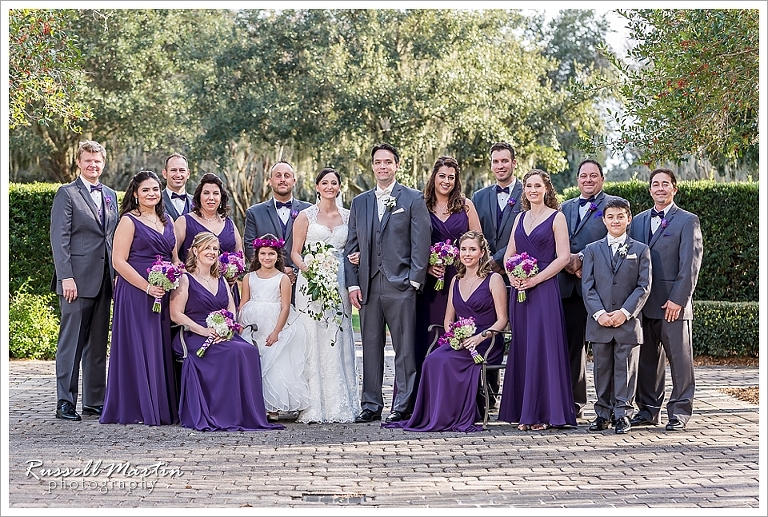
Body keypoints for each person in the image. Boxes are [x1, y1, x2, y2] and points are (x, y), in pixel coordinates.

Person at [384, 231, 508, 432]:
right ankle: (436, 414)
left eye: (472, 249)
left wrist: (478, 337)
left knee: (447, 361)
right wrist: (455, 335)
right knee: (432, 360)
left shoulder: (493, 279)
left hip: (485, 342)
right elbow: (448, 319)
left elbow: (502, 319)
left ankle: (455, 414)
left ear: (482, 252)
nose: (467, 254)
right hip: (460, 340)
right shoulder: (456, 280)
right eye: (464, 249)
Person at [344, 143, 431, 424]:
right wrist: (353, 284)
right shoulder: (360, 202)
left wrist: (414, 281)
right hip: (368, 286)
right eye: (378, 162)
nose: (383, 166)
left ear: (397, 165)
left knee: (404, 348)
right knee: (370, 346)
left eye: (388, 162)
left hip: (401, 284)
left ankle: (402, 404)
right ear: (372, 166)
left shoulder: (413, 199)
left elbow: (421, 243)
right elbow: (351, 247)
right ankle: (370, 404)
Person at [169, 232, 284, 432]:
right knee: (231, 353)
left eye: (215, 249)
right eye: (207, 248)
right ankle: (221, 413)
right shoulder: (185, 279)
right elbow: (176, 314)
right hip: (194, 334)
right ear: (195, 251)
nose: (212, 252)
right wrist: (204, 331)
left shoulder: (221, 279)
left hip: (223, 332)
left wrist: (227, 327)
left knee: (247, 351)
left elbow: (231, 308)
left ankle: (242, 414)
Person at [498, 169, 576, 431]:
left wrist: (536, 279)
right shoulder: (519, 218)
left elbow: (563, 257)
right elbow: (509, 255)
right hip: (520, 292)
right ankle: (524, 412)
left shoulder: (557, 218)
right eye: (528, 185)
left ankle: (543, 413)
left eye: (537, 185)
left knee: (543, 347)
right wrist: (514, 277)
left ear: (546, 189)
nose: (533, 189)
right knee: (524, 347)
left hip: (543, 290)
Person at [100, 170, 179, 426]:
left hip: (164, 291)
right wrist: (147, 287)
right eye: (145, 190)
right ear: (135, 194)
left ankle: (159, 405)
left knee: (159, 346)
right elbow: (118, 261)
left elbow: (174, 258)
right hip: (136, 292)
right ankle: (138, 406)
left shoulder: (168, 221)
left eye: (155, 189)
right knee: (139, 345)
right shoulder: (128, 221)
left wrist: (175, 275)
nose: (151, 194)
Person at [628, 168, 703, 431]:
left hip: (673, 305)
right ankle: (648, 410)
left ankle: (680, 411)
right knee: (647, 362)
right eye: (655, 184)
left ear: (674, 188)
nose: (660, 188)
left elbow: (690, 265)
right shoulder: (636, 221)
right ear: (650, 189)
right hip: (643, 305)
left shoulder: (687, 220)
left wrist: (678, 300)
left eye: (665, 184)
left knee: (680, 362)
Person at [50, 140, 118, 421]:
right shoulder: (67, 194)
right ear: (79, 162)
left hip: (105, 280)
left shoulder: (111, 194)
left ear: (104, 163)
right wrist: (66, 276)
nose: (93, 165)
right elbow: (59, 239)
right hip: (76, 281)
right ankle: (65, 401)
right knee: (72, 343)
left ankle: (94, 401)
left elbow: (111, 236)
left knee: (98, 344)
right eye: (88, 160)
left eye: (97, 161)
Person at [291, 167, 360, 423]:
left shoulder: (349, 216)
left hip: (340, 280)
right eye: (325, 183)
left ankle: (341, 404)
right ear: (317, 187)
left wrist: (356, 257)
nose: (329, 186)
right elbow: (295, 252)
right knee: (313, 337)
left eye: (334, 183)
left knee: (338, 336)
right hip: (311, 284)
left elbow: (354, 248)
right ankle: (312, 404)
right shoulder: (305, 216)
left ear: (339, 187)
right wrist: (309, 268)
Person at [557, 159, 624, 419]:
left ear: (602, 179)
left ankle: (613, 406)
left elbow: (614, 238)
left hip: (600, 287)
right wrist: (570, 264)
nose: (588, 180)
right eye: (583, 175)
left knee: (605, 349)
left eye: (593, 175)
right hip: (567, 288)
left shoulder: (613, 205)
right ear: (577, 179)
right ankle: (571, 402)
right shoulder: (565, 207)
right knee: (571, 347)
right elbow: (557, 239)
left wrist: (582, 259)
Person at [412, 156, 481, 398]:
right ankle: (423, 398)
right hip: (429, 283)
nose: (446, 181)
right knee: (425, 335)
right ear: (434, 177)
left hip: (460, 279)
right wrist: (427, 267)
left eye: (451, 177)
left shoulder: (466, 206)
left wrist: (465, 264)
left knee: (456, 333)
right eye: (442, 176)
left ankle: (456, 397)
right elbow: (410, 243)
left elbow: (478, 242)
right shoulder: (419, 204)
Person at [581, 198, 652, 434]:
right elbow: (587, 286)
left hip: (627, 323)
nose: (615, 221)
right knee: (601, 370)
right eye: (610, 216)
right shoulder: (592, 250)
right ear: (603, 220)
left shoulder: (641, 250)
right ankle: (602, 414)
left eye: (620, 216)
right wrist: (599, 313)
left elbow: (644, 286)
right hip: (600, 323)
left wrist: (624, 312)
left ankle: (623, 414)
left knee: (626, 369)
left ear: (629, 219)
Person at [470, 142, 523, 406]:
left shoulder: (530, 191)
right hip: (485, 280)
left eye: (505, 161)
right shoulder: (479, 197)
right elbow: (476, 235)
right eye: (495, 162)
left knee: (520, 337)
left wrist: (499, 260)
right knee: (488, 333)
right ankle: (487, 396)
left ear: (515, 163)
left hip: (520, 278)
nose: (500, 166)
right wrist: (485, 263)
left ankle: (519, 397)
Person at [239, 234, 310, 421]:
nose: (267, 257)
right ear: (257, 255)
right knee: (257, 361)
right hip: (253, 322)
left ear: (278, 256)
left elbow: (285, 306)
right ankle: (256, 403)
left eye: (271, 254)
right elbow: (243, 302)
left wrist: (277, 331)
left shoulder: (282, 279)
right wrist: (240, 324)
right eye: (263, 254)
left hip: (273, 321)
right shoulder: (249, 277)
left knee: (274, 361)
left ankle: (273, 407)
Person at [174, 173, 244, 305]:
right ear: (199, 196)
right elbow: (173, 256)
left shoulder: (229, 223)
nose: (211, 198)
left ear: (221, 197)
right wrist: (186, 275)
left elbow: (240, 253)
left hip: (226, 289)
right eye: (206, 193)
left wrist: (234, 273)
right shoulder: (184, 221)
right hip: (195, 292)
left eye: (216, 193)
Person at [243, 161, 312, 292]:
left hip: (302, 283)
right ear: (270, 180)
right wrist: (277, 270)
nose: (282, 180)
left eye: (287, 176)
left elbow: (313, 245)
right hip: (267, 284)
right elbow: (249, 246)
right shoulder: (254, 213)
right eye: (278, 175)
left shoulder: (308, 210)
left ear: (294, 180)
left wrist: (296, 270)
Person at [161, 153, 194, 220]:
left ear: (188, 174)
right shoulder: (155, 200)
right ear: (165, 174)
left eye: (182, 170)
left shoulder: (197, 201)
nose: (178, 175)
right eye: (173, 170)